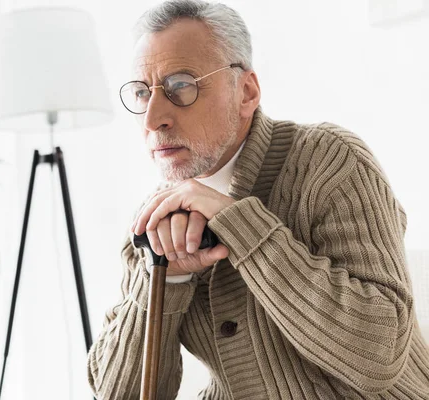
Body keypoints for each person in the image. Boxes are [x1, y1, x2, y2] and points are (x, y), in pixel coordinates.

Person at [87, 0, 429, 398]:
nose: (152, 119)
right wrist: (168, 274)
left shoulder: (330, 162)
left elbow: (380, 356)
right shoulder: (157, 220)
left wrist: (242, 227)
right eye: (142, 93)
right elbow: (119, 394)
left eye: (181, 85)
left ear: (246, 92)